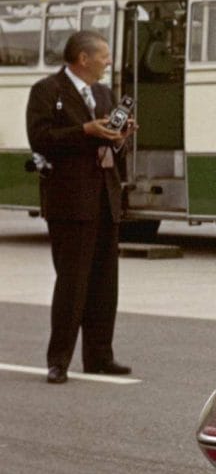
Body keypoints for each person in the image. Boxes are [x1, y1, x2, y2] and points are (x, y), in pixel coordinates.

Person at [25, 30, 134, 383]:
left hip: (104, 199)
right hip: (70, 202)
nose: (108, 62)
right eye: (104, 55)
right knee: (72, 283)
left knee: (105, 283)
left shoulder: (103, 93)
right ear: (83, 59)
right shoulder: (47, 91)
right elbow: (40, 139)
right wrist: (85, 130)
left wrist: (120, 139)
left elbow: (112, 148)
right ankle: (59, 360)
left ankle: (100, 356)